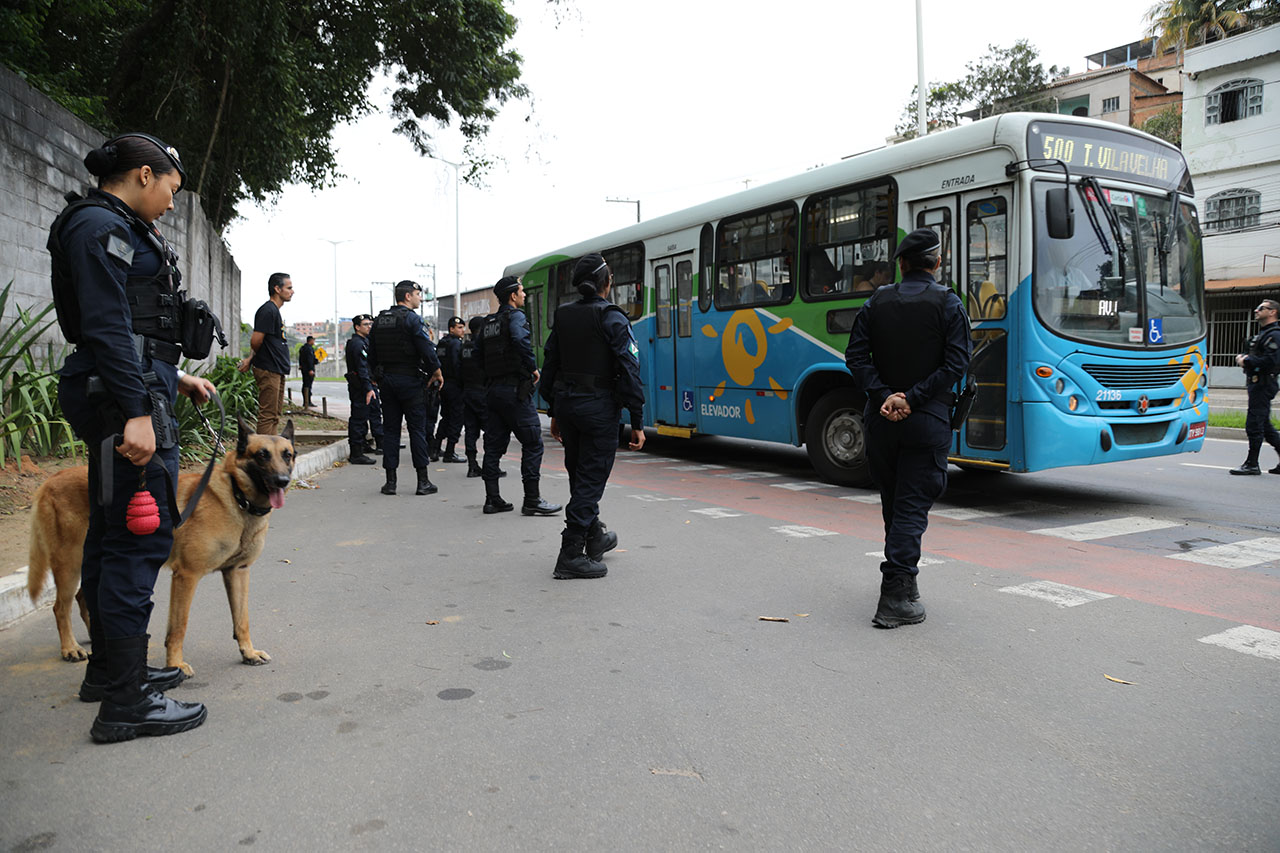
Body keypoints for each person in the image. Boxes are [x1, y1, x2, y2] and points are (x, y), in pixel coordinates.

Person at [48, 132, 218, 741]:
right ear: (144, 174)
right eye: (172, 187)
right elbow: (105, 324)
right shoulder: (100, 226)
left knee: (112, 533)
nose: (174, 202)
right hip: (122, 400)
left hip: (128, 388)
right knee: (137, 543)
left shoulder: (109, 224)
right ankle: (125, 701)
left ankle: (107, 672)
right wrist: (138, 409)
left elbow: (129, 327)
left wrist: (174, 377)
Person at [845, 228, 971, 629]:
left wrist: (885, 395)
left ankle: (905, 583)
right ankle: (896, 595)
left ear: (901, 264)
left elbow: (854, 356)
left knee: (895, 502)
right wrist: (912, 399)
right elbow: (956, 366)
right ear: (936, 263)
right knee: (911, 507)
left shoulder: (877, 301)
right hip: (926, 421)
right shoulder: (949, 304)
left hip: (880, 420)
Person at [540, 254, 646, 579]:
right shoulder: (612, 318)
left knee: (580, 474)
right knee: (590, 480)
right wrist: (638, 421)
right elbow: (630, 368)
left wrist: (555, 410)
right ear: (607, 283)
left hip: (569, 406)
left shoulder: (564, 315)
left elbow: (551, 365)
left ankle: (594, 537)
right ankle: (570, 554)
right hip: (598, 408)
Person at [475, 275, 561, 517]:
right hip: (514, 391)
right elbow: (520, 339)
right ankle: (532, 500)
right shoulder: (515, 317)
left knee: (493, 447)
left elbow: (478, 355)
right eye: (522, 292)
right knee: (533, 443)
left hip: (493, 392)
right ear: (513, 296)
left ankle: (492, 500)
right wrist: (533, 368)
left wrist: (490, 377)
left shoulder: (488, 323)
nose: (524, 295)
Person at [367, 281, 443, 495]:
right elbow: (426, 348)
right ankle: (423, 482)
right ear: (408, 296)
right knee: (416, 430)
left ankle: (390, 483)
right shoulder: (412, 319)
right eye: (418, 294)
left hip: (387, 382)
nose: (420, 298)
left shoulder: (380, 320)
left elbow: (371, 352)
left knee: (391, 430)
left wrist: (375, 375)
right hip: (409, 380)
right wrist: (436, 371)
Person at [238, 272, 293, 435]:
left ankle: (271, 449)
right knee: (268, 415)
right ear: (277, 289)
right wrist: (250, 359)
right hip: (268, 369)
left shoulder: (275, 311)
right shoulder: (267, 310)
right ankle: (263, 453)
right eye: (289, 288)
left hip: (277, 368)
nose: (292, 291)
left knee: (275, 415)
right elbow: (256, 340)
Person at [1230, 298, 1280, 475]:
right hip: (1258, 383)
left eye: (1261, 308)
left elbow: (1272, 361)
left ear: (1272, 312)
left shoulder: (1274, 334)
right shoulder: (1264, 334)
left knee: (1254, 424)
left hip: (1263, 383)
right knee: (1264, 425)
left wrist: (1247, 360)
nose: (1256, 310)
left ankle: (1252, 464)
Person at [344, 315, 378, 465]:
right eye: (365, 324)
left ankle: (362, 445)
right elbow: (362, 368)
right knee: (358, 418)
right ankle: (356, 453)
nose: (369, 327)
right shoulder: (357, 344)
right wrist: (368, 388)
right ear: (357, 327)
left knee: (363, 416)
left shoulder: (364, 342)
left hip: (363, 384)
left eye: (370, 324)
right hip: (360, 386)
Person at [433, 316, 467, 464]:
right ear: (451, 329)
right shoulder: (455, 344)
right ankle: (450, 452)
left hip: (443, 384)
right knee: (456, 418)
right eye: (459, 327)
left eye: (463, 327)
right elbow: (457, 365)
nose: (463, 330)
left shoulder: (442, 343)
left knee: (446, 417)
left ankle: (435, 449)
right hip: (454, 385)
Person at [461, 315, 490, 478]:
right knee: (491, 430)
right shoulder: (484, 346)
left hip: (467, 392)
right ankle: (490, 465)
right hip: (482, 392)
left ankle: (472, 465)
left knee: (471, 430)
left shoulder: (464, 346)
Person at [298, 335, 317, 407]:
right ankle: (307, 401)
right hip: (308, 370)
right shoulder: (309, 349)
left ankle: (306, 401)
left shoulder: (302, 348)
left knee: (305, 385)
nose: (313, 342)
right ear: (310, 340)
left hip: (304, 369)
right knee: (308, 385)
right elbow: (310, 360)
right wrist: (311, 369)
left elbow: (300, 359)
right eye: (313, 340)